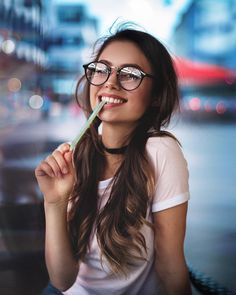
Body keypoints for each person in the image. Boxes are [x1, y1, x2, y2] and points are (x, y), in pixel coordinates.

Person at [35, 25, 192, 295]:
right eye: (101, 69)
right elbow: (62, 280)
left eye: (130, 74)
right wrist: (55, 202)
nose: (110, 82)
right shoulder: (78, 154)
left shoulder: (160, 151)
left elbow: (170, 266)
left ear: (156, 95)